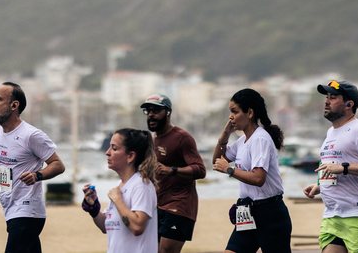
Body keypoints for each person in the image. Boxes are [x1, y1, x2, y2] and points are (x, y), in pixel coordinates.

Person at [0, 82, 66, 253]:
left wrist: (37, 175)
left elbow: (58, 165)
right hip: (10, 207)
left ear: (14, 105)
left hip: (27, 211)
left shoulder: (31, 135)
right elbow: (7, 173)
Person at [301, 80, 358, 253]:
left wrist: (344, 167)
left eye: (333, 97)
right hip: (333, 214)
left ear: (349, 104)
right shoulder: (331, 133)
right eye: (327, 97)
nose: (326, 101)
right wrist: (320, 186)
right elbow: (333, 168)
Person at [211, 89, 291, 253]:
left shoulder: (260, 139)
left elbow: (258, 178)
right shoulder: (242, 141)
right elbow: (216, 161)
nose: (230, 116)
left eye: (235, 111)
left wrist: (230, 170)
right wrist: (225, 135)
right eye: (230, 112)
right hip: (247, 212)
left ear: (250, 113)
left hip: (270, 213)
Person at [140, 93, 206, 253]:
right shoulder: (153, 140)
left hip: (180, 205)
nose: (151, 115)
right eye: (148, 111)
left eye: (155, 111)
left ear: (168, 112)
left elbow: (200, 169)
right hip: (158, 205)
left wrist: (171, 170)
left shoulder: (182, 138)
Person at [81, 128, 159, 253]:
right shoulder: (120, 186)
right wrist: (93, 208)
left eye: (114, 148)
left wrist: (118, 200)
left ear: (130, 156)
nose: (107, 152)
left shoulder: (142, 185)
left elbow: (137, 227)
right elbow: (106, 226)